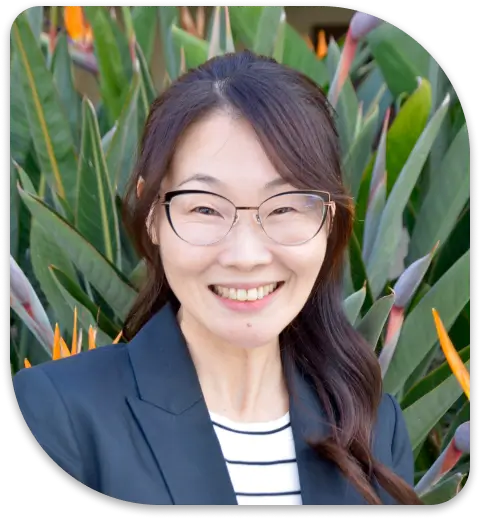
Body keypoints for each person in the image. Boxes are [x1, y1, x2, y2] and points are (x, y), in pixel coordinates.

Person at [11, 50, 423, 506]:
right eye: (205, 208)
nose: (246, 257)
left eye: (285, 207)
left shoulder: (371, 427)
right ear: (152, 215)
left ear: (329, 218)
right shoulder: (56, 414)